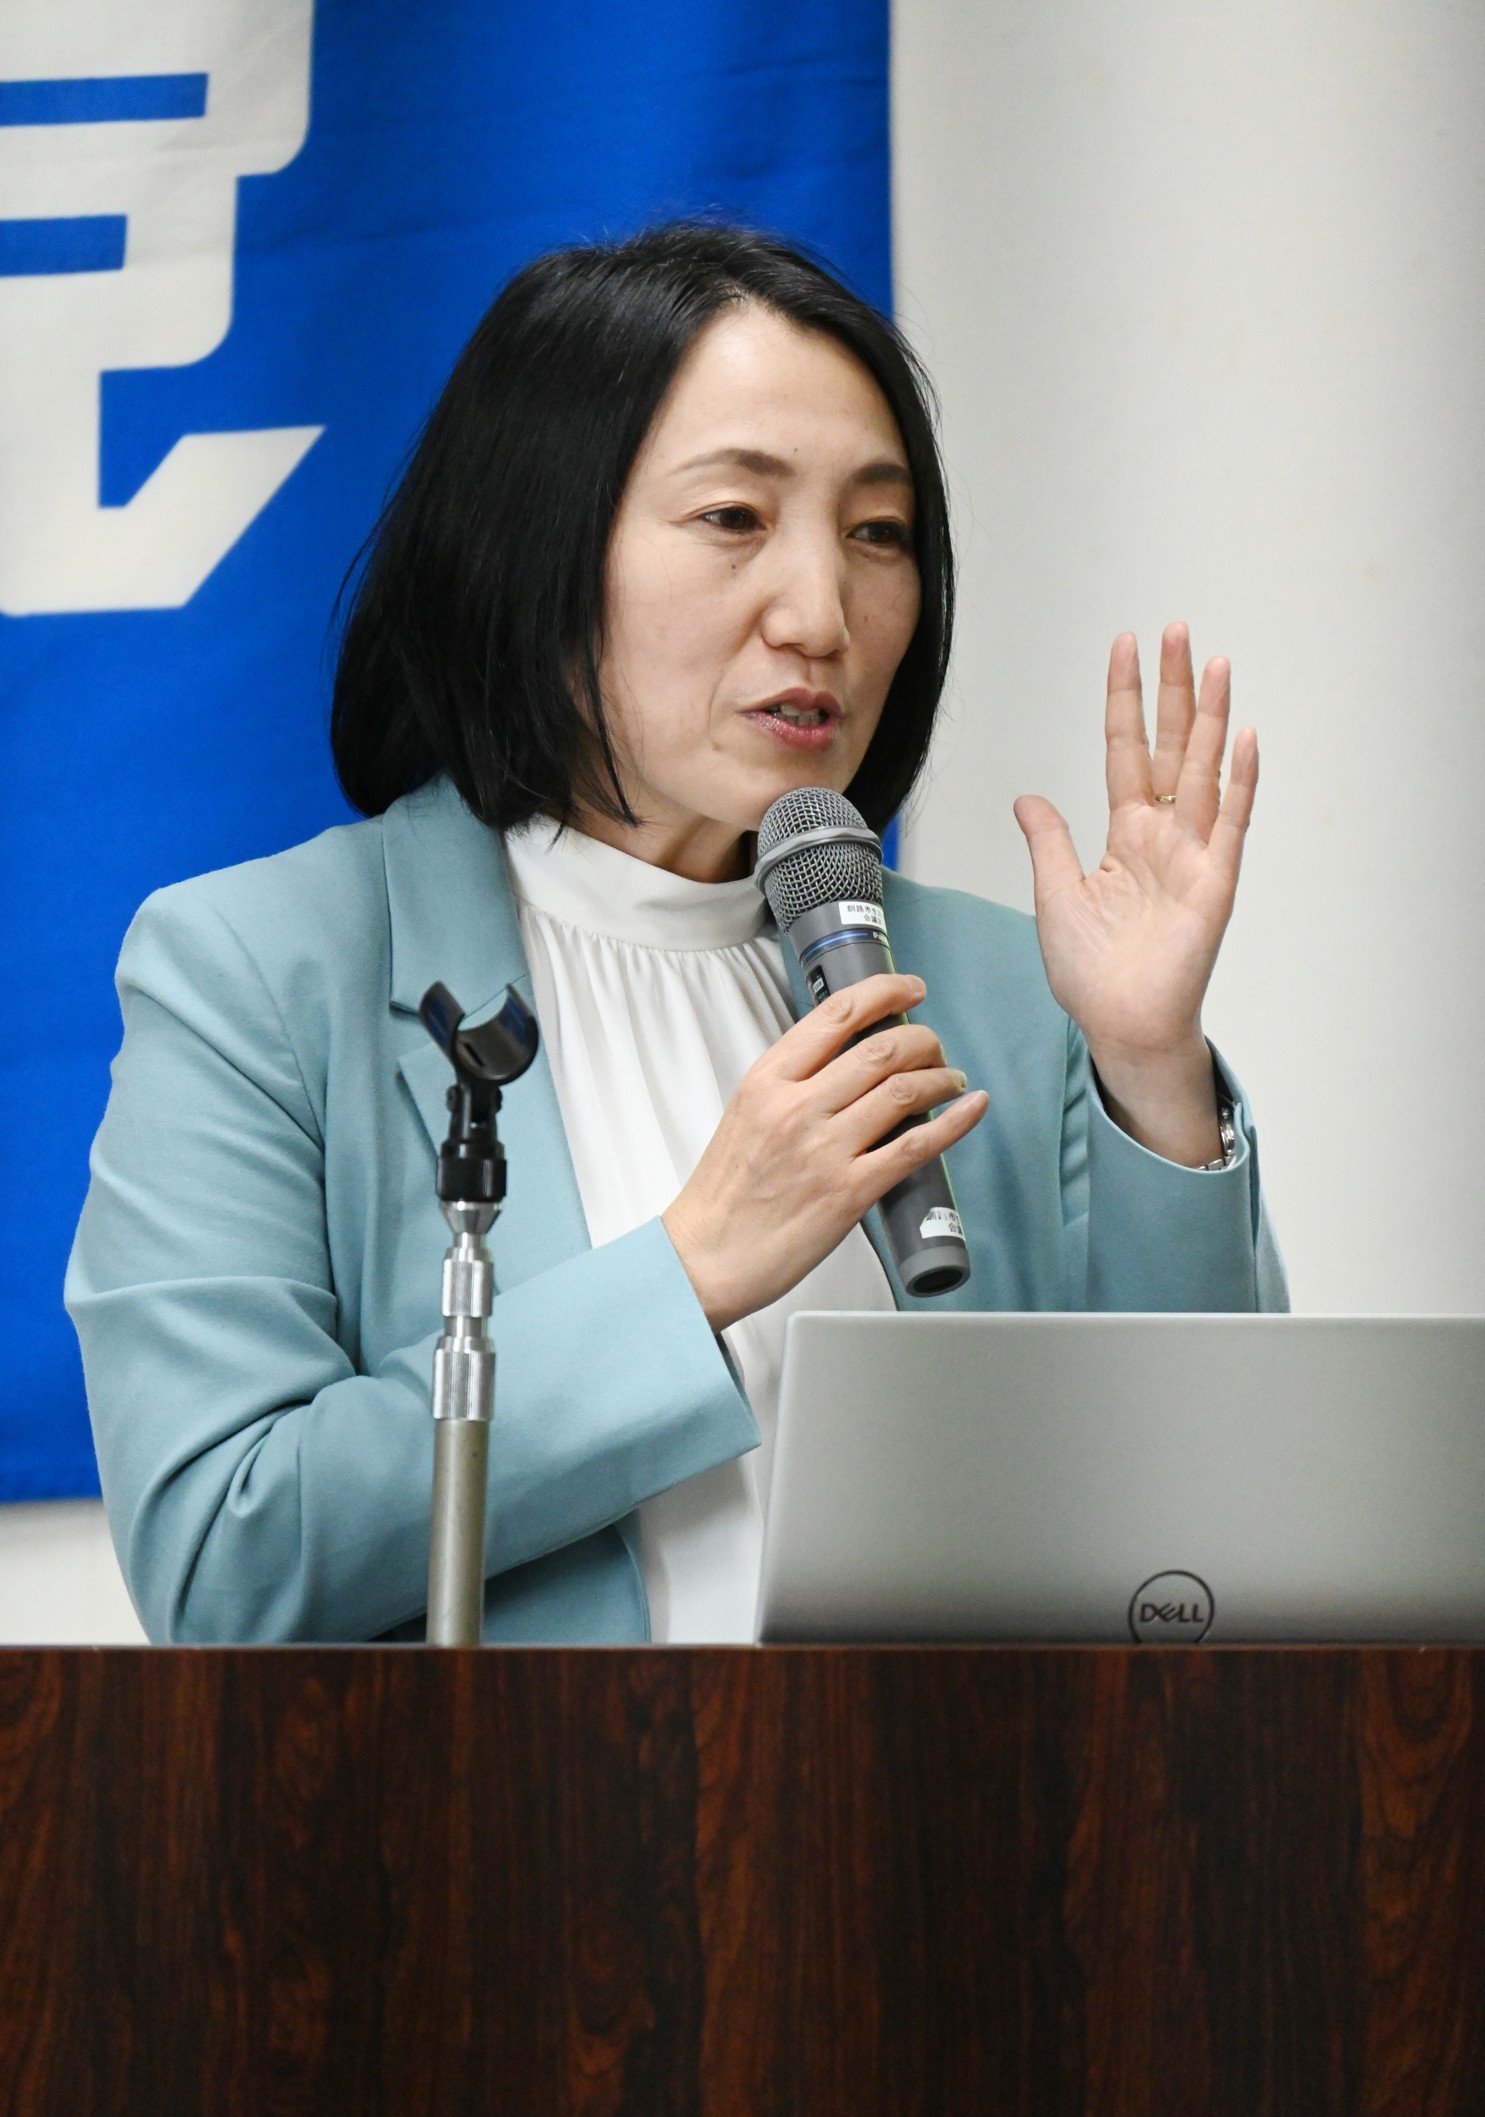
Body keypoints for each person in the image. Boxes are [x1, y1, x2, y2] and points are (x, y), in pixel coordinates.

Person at [65, 223, 1286, 1646]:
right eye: (732, 518)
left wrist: (1148, 1070)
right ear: (535, 548)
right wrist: (693, 1266)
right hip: (522, 1799)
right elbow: (226, 1560)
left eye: (878, 534)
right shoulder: (260, 974)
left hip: (955, 1794)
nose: (821, 614)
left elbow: (1207, 1554)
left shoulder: (1012, 990)